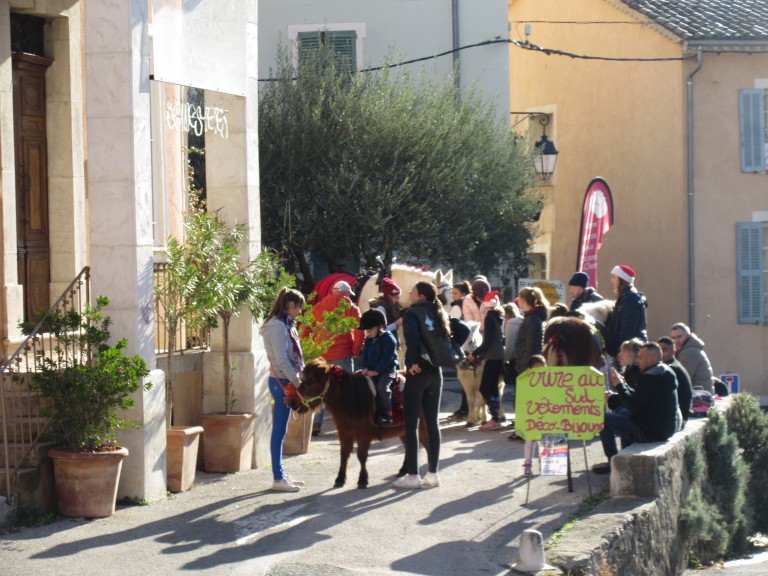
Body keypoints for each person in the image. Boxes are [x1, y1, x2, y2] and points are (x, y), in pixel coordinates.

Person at [393, 281, 448, 489]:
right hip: (436, 371)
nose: (409, 292)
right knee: (432, 423)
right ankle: (433, 474)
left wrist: (413, 361)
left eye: (413, 290)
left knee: (411, 424)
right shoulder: (438, 312)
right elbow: (459, 330)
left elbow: (412, 338)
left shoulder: (412, 313)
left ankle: (413, 475)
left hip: (418, 371)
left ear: (422, 295)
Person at [594, 342, 678, 474]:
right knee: (621, 411)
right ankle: (625, 456)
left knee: (601, 419)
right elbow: (639, 398)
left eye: (640, 357)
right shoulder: (661, 372)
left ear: (651, 360)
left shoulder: (650, 378)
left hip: (650, 432)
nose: (637, 361)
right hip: (660, 428)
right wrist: (623, 386)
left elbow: (633, 407)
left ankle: (613, 463)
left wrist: (619, 386)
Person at [260, 287, 307, 492]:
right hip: (281, 381)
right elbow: (281, 359)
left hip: (285, 379)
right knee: (279, 431)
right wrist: (297, 382)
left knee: (282, 430)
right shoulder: (277, 326)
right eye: (298, 307)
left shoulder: (286, 325)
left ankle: (280, 474)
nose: (300, 311)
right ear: (290, 305)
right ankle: (278, 477)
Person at [311, 280, 363, 435]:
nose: (350, 297)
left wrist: (312, 349)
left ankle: (316, 424)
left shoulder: (318, 307)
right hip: (343, 355)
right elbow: (359, 331)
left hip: (322, 355)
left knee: (320, 390)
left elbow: (307, 328)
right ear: (345, 293)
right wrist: (355, 350)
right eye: (349, 294)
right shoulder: (352, 308)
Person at [466, 291, 505, 431]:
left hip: (492, 357)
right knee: (493, 387)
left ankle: (494, 418)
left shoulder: (489, 318)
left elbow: (487, 341)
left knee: (484, 387)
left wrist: (475, 354)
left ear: (485, 305)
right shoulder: (499, 317)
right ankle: (496, 418)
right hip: (499, 355)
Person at [358, 309, 399, 425]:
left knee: (382, 387)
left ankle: (387, 414)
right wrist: (365, 367)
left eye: (370, 329)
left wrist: (377, 371)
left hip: (387, 370)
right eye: (366, 329)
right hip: (370, 370)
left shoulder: (389, 339)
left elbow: (387, 358)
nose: (367, 332)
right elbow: (364, 355)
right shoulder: (369, 339)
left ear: (380, 326)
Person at [605, 265, 648, 359]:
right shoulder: (626, 297)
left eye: (614, 277)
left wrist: (620, 351)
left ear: (620, 280)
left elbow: (627, 329)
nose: (612, 280)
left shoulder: (630, 299)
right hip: (628, 350)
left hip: (631, 351)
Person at [448, 281, 473, 420]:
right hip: (471, 344)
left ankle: (465, 409)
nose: (453, 296)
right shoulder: (469, 303)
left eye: (455, 293)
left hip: (463, 346)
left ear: (463, 293)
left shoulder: (457, 307)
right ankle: (467, 409)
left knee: (464, 380)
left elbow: (451, 325)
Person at [658, 335, 694, 428]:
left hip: (678, 419)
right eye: (659, 350)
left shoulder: (671, 369)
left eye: (664, 350)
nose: (661, 354)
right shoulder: (673, 365)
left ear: (674, 351)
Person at [514, 286, 550, 376]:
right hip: (530, 365)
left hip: (528, 368)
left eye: (519, 297)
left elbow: (530, 347)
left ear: (523, 300)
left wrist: (524, 369)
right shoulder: (532, 318)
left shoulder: (532, 320)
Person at [670, 322, 714, 393]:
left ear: (689, 336)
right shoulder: (689, 349)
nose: (676, 341)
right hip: (701, 393)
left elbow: (681, 379)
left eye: (679, 337)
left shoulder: (689, 352)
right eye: (673, 338)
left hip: (699, 396)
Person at [522, 354, 546, 476]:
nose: (538, 372)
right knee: (530, 441)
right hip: (531, 416)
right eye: (535, 370)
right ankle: (527, 464)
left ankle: (544, 463)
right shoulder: (525, 381)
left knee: (544, 439)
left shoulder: (550, 381)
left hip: (546, 415)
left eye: (541, 369)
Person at [369, 277, 404, 343]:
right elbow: (379, 331)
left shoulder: (391, 306)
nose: (397, 300)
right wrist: (396, 323)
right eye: (396, 297)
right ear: (389, 296)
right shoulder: (381, 308)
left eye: (398, 298)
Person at [502, 302, 523, 405]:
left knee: (517, 389)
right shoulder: (522, 321)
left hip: (515, 360)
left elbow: (510, 347)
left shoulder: (510, 325)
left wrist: (505, 360)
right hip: (523, 357)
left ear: (506, 315)